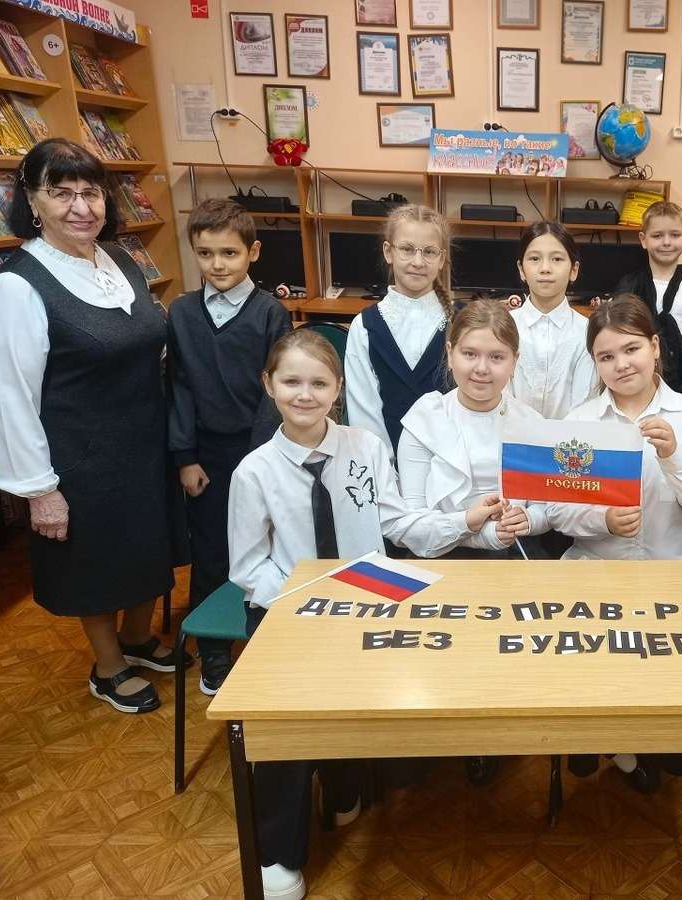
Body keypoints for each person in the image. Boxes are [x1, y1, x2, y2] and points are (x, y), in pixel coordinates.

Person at [228, 328, 436, 900]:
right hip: (285, 610)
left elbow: (394, 521)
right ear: (268, 384)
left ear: (338, 388)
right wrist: (309, 602)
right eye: (291, 382)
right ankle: (279, 850)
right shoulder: (254, 471)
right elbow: (248, 567)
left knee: (387, 693)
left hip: (363, 602)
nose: (305, 394)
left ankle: (346, 787)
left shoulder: (365, 446)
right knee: (289, 723)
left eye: (319, 383)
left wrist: (463, 524)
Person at [0, 138, 176, 714]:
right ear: (31, 201)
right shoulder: (16, 284)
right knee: (95, 563)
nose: (80, 207)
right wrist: (39, 491)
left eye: (91, 193)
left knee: (148, 547)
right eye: (61, 193)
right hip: (81, 456)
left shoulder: (119, 258)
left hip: (145, 442)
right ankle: (109, 665)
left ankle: (138, 637)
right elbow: (10, 397)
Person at [548, 294, 682, 793]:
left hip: (672, 576)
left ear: (654, 346)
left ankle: (637, 741)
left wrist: (675, 457)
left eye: (631, 350)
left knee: (671, 727)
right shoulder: (581, 421)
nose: (621, 364)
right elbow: (557, 509)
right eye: (606, 356)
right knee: (594, 676)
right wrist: (601, 519)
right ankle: (607, 741)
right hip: (595, 574)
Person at [167, 197, 291, 695]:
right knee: (212, 550)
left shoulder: (270, 313)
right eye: (205, 253)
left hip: (263, 452)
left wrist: (263, 461)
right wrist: (185, 457)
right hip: (208, 459)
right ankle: (214, 650)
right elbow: (178, 387)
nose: (217, 264)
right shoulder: (181, 313)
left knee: (270, 545)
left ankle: (270, 634)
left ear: (252, 252)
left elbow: (277, 390)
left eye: (229, 253)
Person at [398, 299, 549, 560]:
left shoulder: (531, 423)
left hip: (514, 551)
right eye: (470, 354)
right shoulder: (425, 419)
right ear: (450, 354)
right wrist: (473, 527)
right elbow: (412, 524)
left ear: (515, 361)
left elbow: (545, 507)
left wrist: (529, 518)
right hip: (437, 555)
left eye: (497, 357)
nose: (481, 369)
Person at [344, 203, 453, 462]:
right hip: (387, 465)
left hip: (451, 461)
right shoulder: (365, 326)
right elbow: (363, 411)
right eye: (407, 249)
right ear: (388, 252)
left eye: (429, 252)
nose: (418, 262)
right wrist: (386, 471)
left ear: (441, 259)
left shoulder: (460, 322)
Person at [615, 201, 682, 392]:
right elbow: (618, 341)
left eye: (675, 235)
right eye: (657, 235)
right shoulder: (628, 287)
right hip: (637, 385)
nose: (666, 242)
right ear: (643, 240)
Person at [507, 221, 596, 419]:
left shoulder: (587, 331)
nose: (545, 268)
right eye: (535, 258)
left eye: (557, 259)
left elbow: (585, 404)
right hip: (510, 434)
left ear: (574, 270)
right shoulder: (503, 327)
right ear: (521, 269)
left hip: (571, 437)